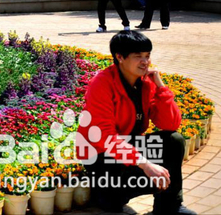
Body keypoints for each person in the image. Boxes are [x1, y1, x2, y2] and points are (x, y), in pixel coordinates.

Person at [78, 30, 193, 214]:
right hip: (101, 156)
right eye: (138, 56)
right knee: (112, 203)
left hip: (127, 149)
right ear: (120, 57)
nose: (145, 61)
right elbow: (105, 138)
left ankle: (169, 207)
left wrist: (161, 87)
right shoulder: (101, 84)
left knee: (173, 140)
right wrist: (145, 164)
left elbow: (170, 124)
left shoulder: (146, 83)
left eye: (147, 56)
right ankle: (106, 193)